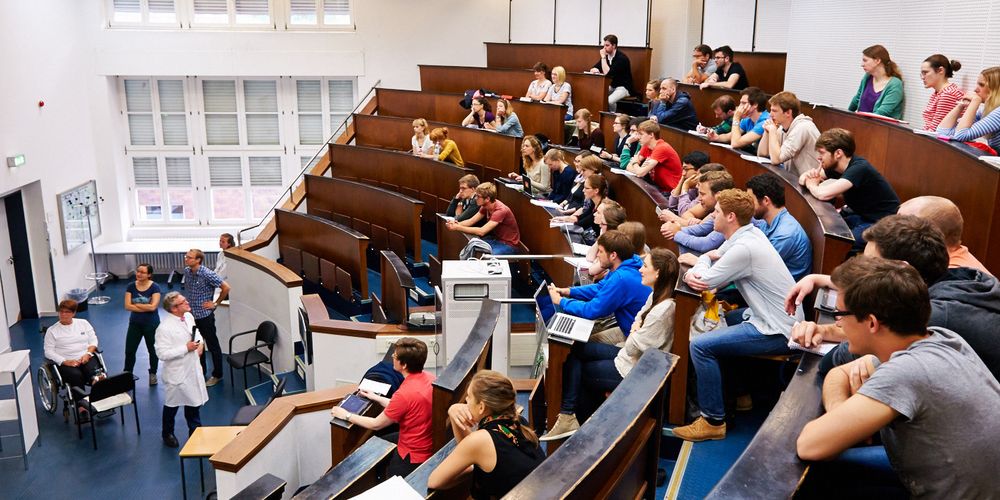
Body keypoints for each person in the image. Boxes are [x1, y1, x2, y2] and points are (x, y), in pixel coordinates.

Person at [795, 257, 1000, 499]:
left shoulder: (906, 372)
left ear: (872, 323)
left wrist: (841, 424)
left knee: (814, 476)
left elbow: (808, 445)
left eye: (840, 313)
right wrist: (840, 415)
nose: (838, 321)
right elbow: (837, 373)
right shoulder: (941, 338)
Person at [787, 215, 1000, 382]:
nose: (862, 273)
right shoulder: (963, 280)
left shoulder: (932, 315)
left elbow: (834, 362)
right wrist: (825, 331)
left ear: (900, 270)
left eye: (869, 266)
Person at [672, 189, 802, 441]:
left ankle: (713, 420)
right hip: (768, 317)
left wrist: (699, 262)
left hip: (778, 329)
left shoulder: (745, 246)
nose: (712, 215)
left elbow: (702, 281)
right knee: (723, 321)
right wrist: (706, 261)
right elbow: (717, 259)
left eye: (717, 212)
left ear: (730, 217)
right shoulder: (746, 234)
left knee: (700, 346)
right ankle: (740, 395)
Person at [542, 248, 679, 440]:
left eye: (645, 266)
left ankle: (581, 427)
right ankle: (568, 416)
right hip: (629, 357)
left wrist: (635, 330)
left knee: (582, 372)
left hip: (636, 369)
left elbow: (632, 346)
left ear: (658, 273)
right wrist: (636, 329)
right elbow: (637, 319)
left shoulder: (663, 310)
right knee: (576, 349)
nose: (640, 269)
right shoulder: (656, 295)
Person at [428, 370, 544, 498]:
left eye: (469, 397)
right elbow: (469, 449)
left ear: (481, 407)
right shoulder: (519, 422)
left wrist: (470, 471)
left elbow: (434, 481)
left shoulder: (481, 440)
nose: (466, 401)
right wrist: (453, 411)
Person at [331, 338, 436, 478]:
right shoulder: (430, 378)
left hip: (412, 453)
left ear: (404, 365)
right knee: (377, 443)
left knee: (392, 479)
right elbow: (404, 406)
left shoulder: (404, 393)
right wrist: (376, 397)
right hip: (427, 440)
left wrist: (346, 415)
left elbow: (376, 424)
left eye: (395, 356)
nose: (392, 357)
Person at [799, 128, 899, 251]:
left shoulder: (859, 168)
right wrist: (809, 178)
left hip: (882, 222)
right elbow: (802, 178)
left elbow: (824, 194)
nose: (819, 158)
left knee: (843, 245)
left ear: (838, 153)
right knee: (825, 230)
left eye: (822, 153)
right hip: (862, 215)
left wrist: (811, 184)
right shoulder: (835, 167)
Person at [547, 230, 651, 345]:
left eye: (600, 251)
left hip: (636, 339)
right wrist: (567, 291)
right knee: (583, 340)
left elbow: (591, 310)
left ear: (613, 255)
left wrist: (560, 301)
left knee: (579, 346)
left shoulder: (621, 278)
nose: (597, 255)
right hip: (628, 329)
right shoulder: (627, 264)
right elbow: (599, 288)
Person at [155, 291, 208, 448]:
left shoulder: (188, 317)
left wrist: (200, 344)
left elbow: (196, 334)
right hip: (177, 373)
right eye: (183, 302)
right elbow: (162, 354)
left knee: (193, 403)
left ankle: (195, 432)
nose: (187, 303)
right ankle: (167, 433)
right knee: (172, 405)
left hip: (192, 369)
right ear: (174, 308)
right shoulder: (164, 328)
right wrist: (186, 348)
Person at [897, 195, 991, 275]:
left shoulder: (952, 276)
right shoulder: (947, 260)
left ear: (927, 234)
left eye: (902, 226)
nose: (894, 229)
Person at [746, 173, 812, 281]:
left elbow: (756, 267)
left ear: (766, 201)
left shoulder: (786, 234)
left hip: (781, 289)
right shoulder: (766, 222)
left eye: (751, 201)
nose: (748, 205)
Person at [44, 299, 103, 416]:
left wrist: (88, 354)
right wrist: (65, 361)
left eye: (67, 312)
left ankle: (100, 399)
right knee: (76, 376)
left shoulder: (83, 323)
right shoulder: (52, 331)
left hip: (86, 356)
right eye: (61, 312)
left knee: (95, 374)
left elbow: (93, 340)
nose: (63, 314)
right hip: (66, 361)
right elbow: (48, 352)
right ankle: (82, 407)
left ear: (73, 313)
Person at [181, 248, 230, 387]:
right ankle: (201, 371)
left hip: (205, 316)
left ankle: (217, 375)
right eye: (186, 256)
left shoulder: (207, 274)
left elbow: (226, 287)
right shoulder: (187, 271)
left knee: (212, 345)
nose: (186, 259)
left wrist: (215, 303)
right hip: (192, 316)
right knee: (197, 344)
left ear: (198, 260)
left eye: (189, 257)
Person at [661, 170, 734, 255]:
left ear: (718, 195)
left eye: (703, 194)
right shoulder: (718, 210)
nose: (699, 198)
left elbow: (706, 244)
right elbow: (700, 229)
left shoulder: (729, 212)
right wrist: (674, 227)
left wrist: (677, 233)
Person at [936, 66, 1000, 153]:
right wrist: (961, 106)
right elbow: (942, 133)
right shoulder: (985, 112)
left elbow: (960, 136)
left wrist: (975, 102)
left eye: (981, 85)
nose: (975, 89)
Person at [447, 182, 521, 256]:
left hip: (509, 245)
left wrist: (458, 227)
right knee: (471, 246)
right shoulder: (485, 206)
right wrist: (456, 224)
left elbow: (482, 231)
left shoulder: (500, 210)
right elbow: (471, 221)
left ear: (487, 199)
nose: (475, 198)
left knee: (487, 258)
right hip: (495, 239)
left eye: (478, 196)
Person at [758, 91, 820, 177]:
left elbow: (776, 160)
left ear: (788, 113)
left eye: (774, 111)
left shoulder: (803, 127)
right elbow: (762, 154)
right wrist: (767, 131)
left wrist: (772, 131)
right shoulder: (782, 128)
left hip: (811, 180)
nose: (770, 115)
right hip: (795, 179)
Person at [124, 263, 161, 385]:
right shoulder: (131, 286)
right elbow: (127, 306)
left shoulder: (155, 287)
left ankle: (153, 373)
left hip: (151, 324)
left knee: (153, 351)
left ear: (149, 275)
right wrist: (146, 306)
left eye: (142, 272)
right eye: (138, 271)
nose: (139, 274)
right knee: (130, 351)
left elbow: (153, 307)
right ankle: (127, 374)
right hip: (135, 324)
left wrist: (136, 305)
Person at [848, 44, 904, 120]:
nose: (862, 64)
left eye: (865, 60)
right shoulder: (867, 77)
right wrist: (846, 116)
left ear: (877, 61)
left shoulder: (895, 84)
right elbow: (856, 100)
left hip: (879, 125)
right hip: (861, 122)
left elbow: (882, 112)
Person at [625, 119, 682, 192]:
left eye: (641, 134)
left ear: (651, 135)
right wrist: (639, 168)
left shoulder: (662, 148)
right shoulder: (646, 145)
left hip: (670, 191)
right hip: (658, 187)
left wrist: (635, 163)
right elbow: (628, 167)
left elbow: (640, 173)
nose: (638, 137)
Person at [707, 87, 769, 152]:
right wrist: (717, 138)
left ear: (755, 105)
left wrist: (736, 118)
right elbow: (730, 136)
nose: (739, 106)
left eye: (743, 103)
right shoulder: (748, 119)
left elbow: (735, 143)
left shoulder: (765, 121)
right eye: (740, 103)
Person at [552, 173, 608, 237]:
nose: (583, 190)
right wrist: (564, 218)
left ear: (596, 190)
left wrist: (564, 221)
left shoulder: (602, 207)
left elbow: (583, 223)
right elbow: (581, 217)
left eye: (586, 188)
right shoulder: (593, 203)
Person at [587, 34, 633, 112]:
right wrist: (595, 69)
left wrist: (603, 57)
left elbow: (608, 74)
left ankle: (611, 116)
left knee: (610, 101)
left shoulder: (621, 58)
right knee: (596, 95)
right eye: (604, 45)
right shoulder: (607, 56)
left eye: (607, 45)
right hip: (611, 86)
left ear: (614, 46)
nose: (604, 48)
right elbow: (595, 67)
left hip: (623, 87)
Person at [920, 54, 964, 131]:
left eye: (925, 72)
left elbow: (936, 130)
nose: (922, 77)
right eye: (922, 73)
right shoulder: (938, 93)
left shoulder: (948, 94)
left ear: (941, 70)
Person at [667, 151, 711, 216]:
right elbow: (672, 204)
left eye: (686, 169)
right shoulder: (691, 184)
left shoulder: (705, 188)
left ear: (699, 170)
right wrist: (682, 180)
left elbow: (683, 212)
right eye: (683, 169)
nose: (683, 173)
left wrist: (685, 187)